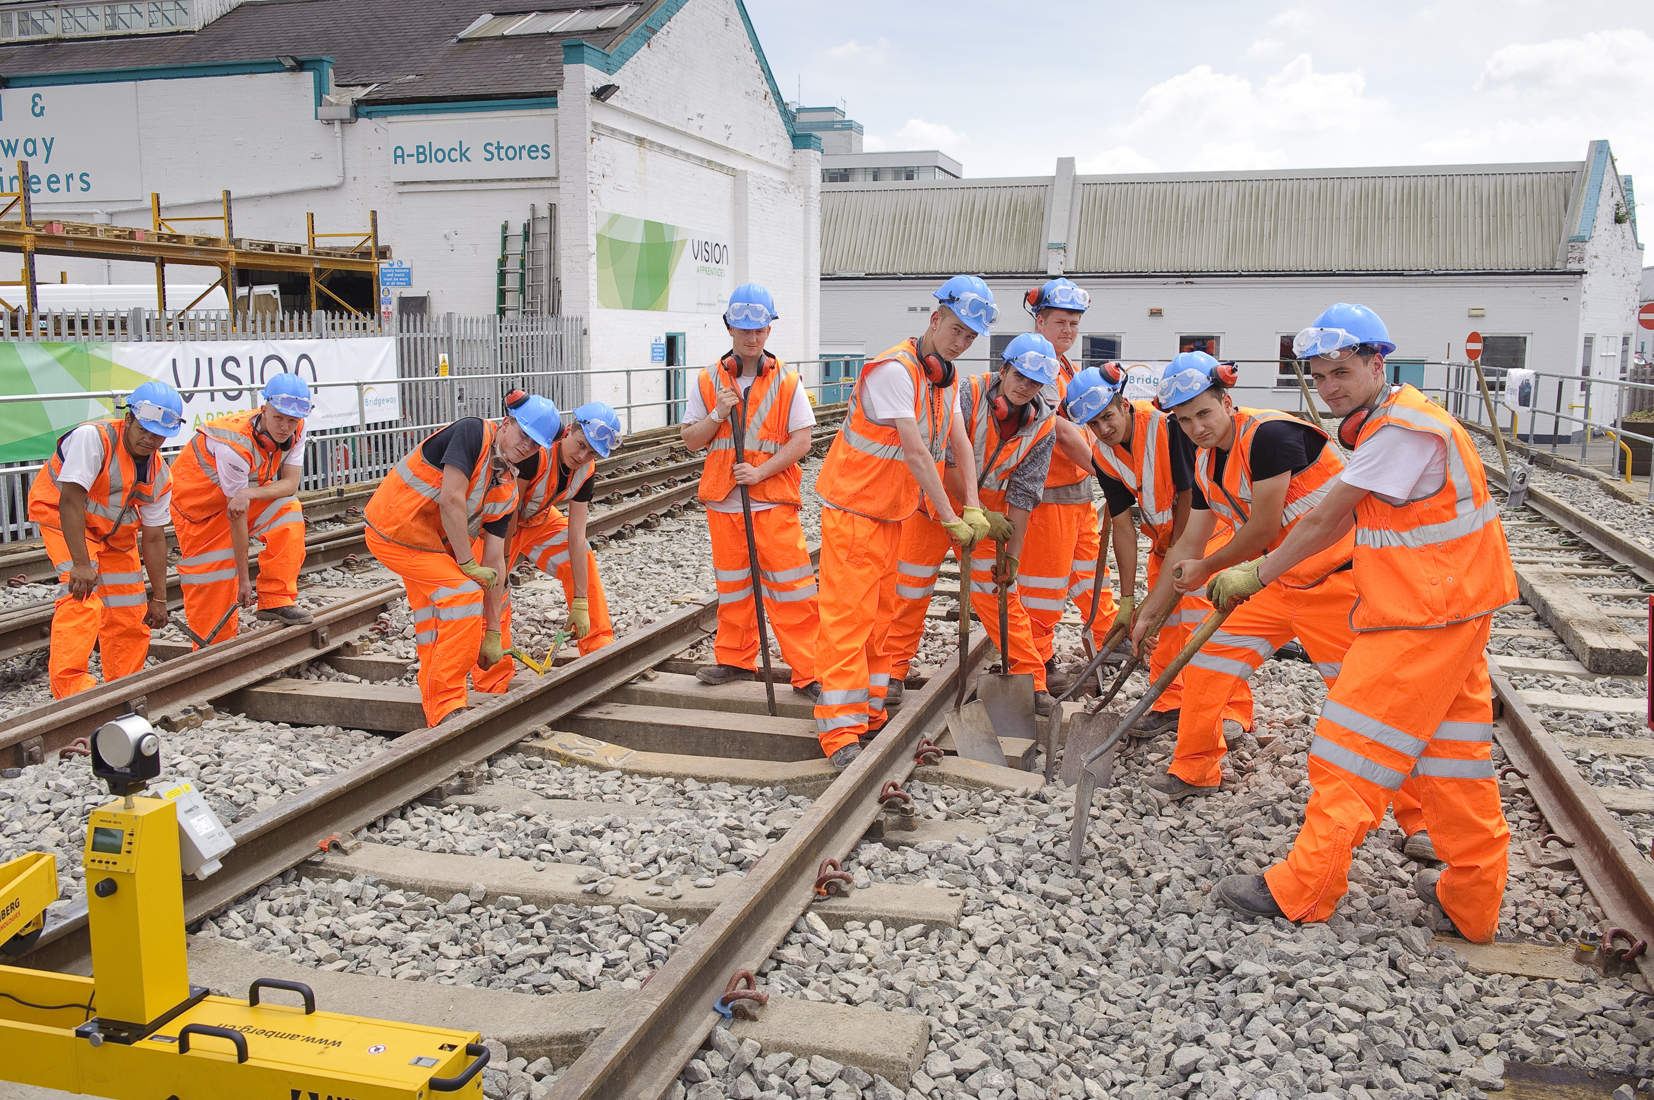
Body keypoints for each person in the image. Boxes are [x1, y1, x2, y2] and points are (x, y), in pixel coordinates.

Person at [1207, 304, 1514, 943]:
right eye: (1319, 378)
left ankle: (1303, 889)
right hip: (1451, 610)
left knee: (1347, 752)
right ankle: (1472, 903)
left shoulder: (1400, 431)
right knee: (1456, 762)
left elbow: (1326, 521)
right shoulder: (1397, 423)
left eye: (1341, 372)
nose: (1330, 388)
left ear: (1378, 363)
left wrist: (1258, 574)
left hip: (1421, 619)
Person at [1130, 351, 1355, 799]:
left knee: (1363, 699)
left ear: (1227, 402)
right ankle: (1194, 770)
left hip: (1337, 584)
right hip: (1276, 581)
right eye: (1185, 420)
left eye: (1204, 413)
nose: (1197, 427)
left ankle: (1419, 816)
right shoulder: (1206, 463)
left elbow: (1263, 529)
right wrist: (1146, 614)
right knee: (1207, 662)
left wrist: (1210, 568)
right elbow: (1187, 546)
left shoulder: (1271, 436)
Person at [812, 275, 990, 768]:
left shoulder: (942, 377)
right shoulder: (895, 370)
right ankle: (839, 732)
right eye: (956, 330)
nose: (961, 342)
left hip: (891, 512)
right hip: (854, 510)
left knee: (881, 617)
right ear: (935, 319)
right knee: (848, 620)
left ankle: (867, 712)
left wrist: (972, 500)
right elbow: (916, 451)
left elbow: (959, 443)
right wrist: (952, 518)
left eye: (970, 337)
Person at [1055, 365, 1252, 729]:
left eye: (1107, 417)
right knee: (1160, 628)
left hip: (1207, 538)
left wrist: (1180, 559)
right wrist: (1129, 600)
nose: (1103, 430)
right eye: (1093, 425)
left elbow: (1188, 494)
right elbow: (1123, 527)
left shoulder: (1166, 426)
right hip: (1165, 546)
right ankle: (1169, 703)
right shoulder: (1102, 455)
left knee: (1206, 626)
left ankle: (1231, 711)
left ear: (1125, 404)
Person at [884, 332, 1061, 712]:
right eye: (1020, 378)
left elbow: (1025, 493)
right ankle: (890, 672)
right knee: (909, 590)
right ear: (1004, 370)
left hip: (988, 517)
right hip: (934, 503)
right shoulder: (969, 393)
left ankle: (1031, 679)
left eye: (1035, 383)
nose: (1025, 388)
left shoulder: (1043, 424)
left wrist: (1011, 557)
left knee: (1001, 593)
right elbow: (945, 459)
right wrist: (971, 505)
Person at [680, 283, 821, 699]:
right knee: (735, 586)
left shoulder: (788, 381)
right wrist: (718, 413)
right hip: (725, 502)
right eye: (744, 329)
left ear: (768, 331)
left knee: (792, 588)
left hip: (771, 499)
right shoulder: (708, 380)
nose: (751, 337)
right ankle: (736, 659)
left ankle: (809, 671)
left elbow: (802, 441)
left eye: (759, 329)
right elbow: (691, 439)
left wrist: (760, 473)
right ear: (729, 328)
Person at [364, 407, 534, 727]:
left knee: (433, 621)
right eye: (524, 435)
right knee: (464, 594)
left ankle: (434, 702)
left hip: (430, 544)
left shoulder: (506, 488)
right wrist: (467, 564)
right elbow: (450, 500)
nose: (527, 446)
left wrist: (493, 632)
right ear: (507, 423)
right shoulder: (472, 432)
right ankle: (446, 705)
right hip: (396, 530)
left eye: (535, 444)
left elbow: (496, 561)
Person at [27, 382, 181, 698]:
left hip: (113, 536)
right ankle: (72, 693)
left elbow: (153, 538)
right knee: (81, 599)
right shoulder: (93, 439)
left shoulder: (161, 476)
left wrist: (161, 599)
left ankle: (123, 688)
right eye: (143, 429)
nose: (150, 439)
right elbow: (70, 501)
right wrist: (82, 564)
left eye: (158, 434)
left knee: (129, 608)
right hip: (65, 521)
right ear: (128, 420)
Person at [471, 396, 619, 694]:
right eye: (581, 445)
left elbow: (576, 536)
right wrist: (502, 566)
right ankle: (492, 679)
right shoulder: (536, 455)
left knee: (583, 558)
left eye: (592, 453)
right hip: (499, 524)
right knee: (488, 587)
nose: (583, 455)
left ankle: (598, 644)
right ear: (568, 432)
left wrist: (580, 601)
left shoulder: (584, 472)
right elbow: (509, 513)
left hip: (538, 520)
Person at [1017, 279, 1117, 692]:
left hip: (1075, 496)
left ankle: (1111, 646)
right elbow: (1062, 430)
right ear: (1040, 321)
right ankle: (1037, 669)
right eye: (1060, 322)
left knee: (1094, 580)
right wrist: (1107, 471)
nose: (1069, 331)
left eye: (1074, 323)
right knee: (1043, 593)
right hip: (1048, 499)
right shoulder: (1037, 367)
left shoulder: (1066, 367)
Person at [168, 373, 315, 647]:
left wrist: (250, 493)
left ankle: (275, 599)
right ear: (264, 410)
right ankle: (211, 652)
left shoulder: (297, 428)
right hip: (198, 510)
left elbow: (290, 484)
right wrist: (244, 580)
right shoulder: (233, 445)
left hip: (238, 499)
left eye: (291, 420)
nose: (285, 427)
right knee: (214, 580)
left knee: (289, 511)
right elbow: (236, 518)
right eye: (279, 417)